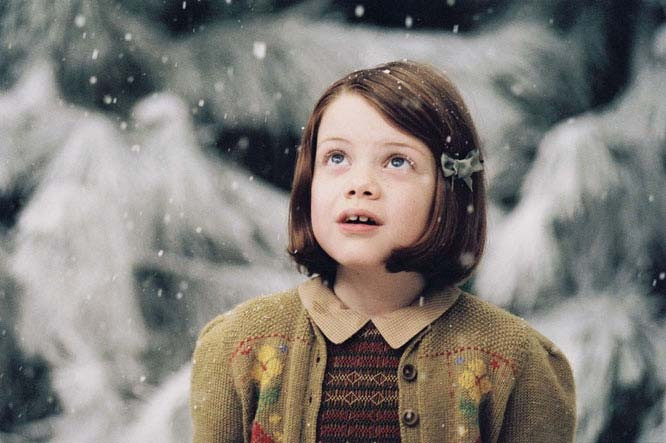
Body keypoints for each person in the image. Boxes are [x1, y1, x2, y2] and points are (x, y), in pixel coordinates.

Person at [190, 60, 576, 443]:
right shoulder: (238, 346)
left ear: (450, 189)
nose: (360, 184)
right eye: (336, 158)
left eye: (397, 161)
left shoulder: (515, 359)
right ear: (308, 180)